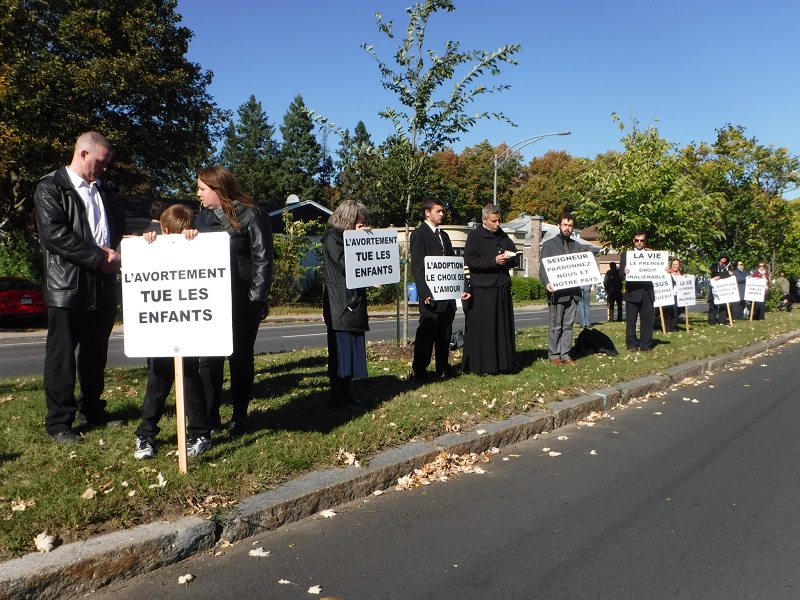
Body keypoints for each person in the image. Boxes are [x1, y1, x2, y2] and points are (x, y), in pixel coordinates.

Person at [33, 132, 125, 444]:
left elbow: (119, 229)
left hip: (103, 285)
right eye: (101, 162)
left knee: (95, 353)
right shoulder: (51, 188)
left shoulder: (106, 192)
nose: (105, 168)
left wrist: (117, 253)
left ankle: (93, 410)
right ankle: (59, 422)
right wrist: (101, 258)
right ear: (83, 154)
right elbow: (54, 236)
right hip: (68, 286)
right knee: (61, 356)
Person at [195, 166, 273, 437]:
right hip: (210, 301)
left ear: (218, 188)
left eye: (203, 189)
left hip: (243, 300)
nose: (199, 194)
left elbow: (263, 259)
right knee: (209, 359)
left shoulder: (251, 213)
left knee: (240, 357)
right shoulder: (200, 220)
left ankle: (239, 415)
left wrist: (256, 298)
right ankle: (209, 415)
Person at [133, 204, 212, 459]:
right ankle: (145, 434)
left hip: (186, 329)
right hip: (161, 330)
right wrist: (149, 242)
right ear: (163, 229)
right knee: (158, 380)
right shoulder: (153, 242)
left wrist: (194, 242)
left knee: (189, 379)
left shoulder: (198, 244)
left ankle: (200, 434)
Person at [410, 198, 470, 381]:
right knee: (426, 334)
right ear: (427, 212)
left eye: (442, 211)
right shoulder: (419, 234)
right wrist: (425, 292)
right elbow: (417, 267)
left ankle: (443, 367)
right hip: (431, 295)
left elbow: (454, 265)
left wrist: (464, 285)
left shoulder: (444, 236)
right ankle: (420, 369)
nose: (442, 214)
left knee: (444, 332)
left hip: (447, 295)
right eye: (438, 211)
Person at [323, 200, 371, 408]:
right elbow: (344, 264)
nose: (363, 228)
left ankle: (347, 394)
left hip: (354, 301)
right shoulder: (332, 237)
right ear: (349, 221)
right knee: (340, 353)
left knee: (351, 351)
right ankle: (337, 398)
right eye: (360, 224)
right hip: (340, 304)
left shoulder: (347, 238)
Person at [461, 204, 518, 375]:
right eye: (494, 221)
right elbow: (471, 260)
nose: (497, 224)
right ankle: (485, 365)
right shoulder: (475, 237)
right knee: (486, 330)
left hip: (501, 288)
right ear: (484, 220)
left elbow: (515, 255)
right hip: (483, 289)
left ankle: (503, 363)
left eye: (499, 220)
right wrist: (493, 260)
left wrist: (509, 258)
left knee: (502, 329)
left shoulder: (503, 236)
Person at [539, 213, 582, 365]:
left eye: (570, 225)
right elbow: (543, 269)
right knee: (556, 325)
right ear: (559, 225)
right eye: (565, 225)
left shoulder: (577, 246)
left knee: (568, 325)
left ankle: (566, 354)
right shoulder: (549, 245)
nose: (567, 228)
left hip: (573, 292)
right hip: (556, 293)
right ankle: (554, 355)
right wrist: (546, 283)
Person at [620, 231, 655, 352]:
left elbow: (659, 270)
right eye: (637, 240)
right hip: (633, 292)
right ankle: (632, 344)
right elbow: (620, 274)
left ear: (645, 241)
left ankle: (646, 345)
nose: (639, 242)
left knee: (647, 320)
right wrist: (624, 272)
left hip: (647, 292)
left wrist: (664, 269)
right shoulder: (626, 255)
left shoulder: (651, 255)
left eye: (642, 240)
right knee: (631, 320)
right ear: (633, 241)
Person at [708, 252, 732, 325]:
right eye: (722, 258)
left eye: (725, 258)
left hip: (724, 289)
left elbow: (731, 275)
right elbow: (715, 274)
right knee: (713, 304)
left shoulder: (727, 267)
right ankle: (712, 320)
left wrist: (721, 276)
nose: (724, 259)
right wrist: (726, 274)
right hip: (715, 288)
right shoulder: (715, 265)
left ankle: (722, 320)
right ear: (720, 258)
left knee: (724, 304)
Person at [663, 258, 683, 332]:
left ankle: (674, 326)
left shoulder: (680, 274)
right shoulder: (668, 273)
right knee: (668, 312)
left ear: (679, 266)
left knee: (677, 311)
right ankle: (668, 327)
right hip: (669, 295)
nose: (675, 266)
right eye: (673, 264)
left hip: (678, 295)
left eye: (676, 264)